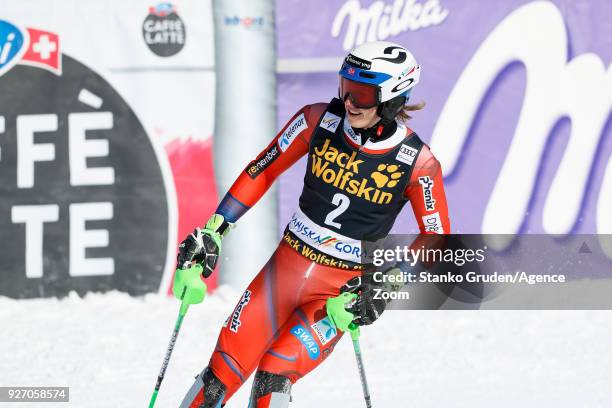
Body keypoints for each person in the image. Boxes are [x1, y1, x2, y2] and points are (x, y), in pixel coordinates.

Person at [175, 40, 450, 407]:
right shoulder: (317, 119)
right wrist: (214, 229)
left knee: (272, 377)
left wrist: (387, 282)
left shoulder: (418, 162)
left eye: (363, 94)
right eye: (346, 88)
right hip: (281, 276)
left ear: (393, 98)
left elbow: (437, 238)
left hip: (335, 297)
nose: (350, 102)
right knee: (218, 377)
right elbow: (263, 169)